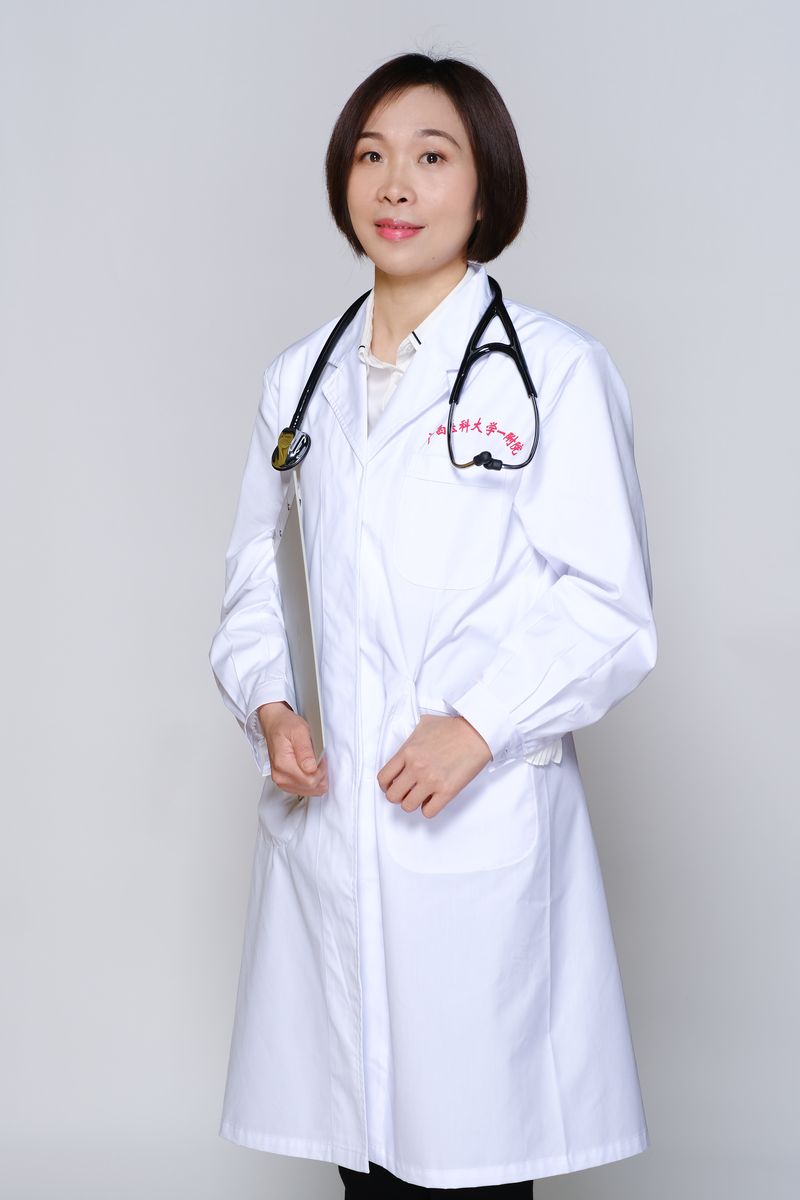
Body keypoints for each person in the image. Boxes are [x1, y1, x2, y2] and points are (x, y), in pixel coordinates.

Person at [209, 51, 657, 1197]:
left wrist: (478, 723)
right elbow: (254, 573)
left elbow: (607, 606)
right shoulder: (297, 383)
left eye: (429, 155)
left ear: (485, 185)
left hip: (475, 826)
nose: (394, 184)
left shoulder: (551, 371)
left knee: (472, 1158)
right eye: (370, 155)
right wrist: (270, 705)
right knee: (363, 1159)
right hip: (337, 830)